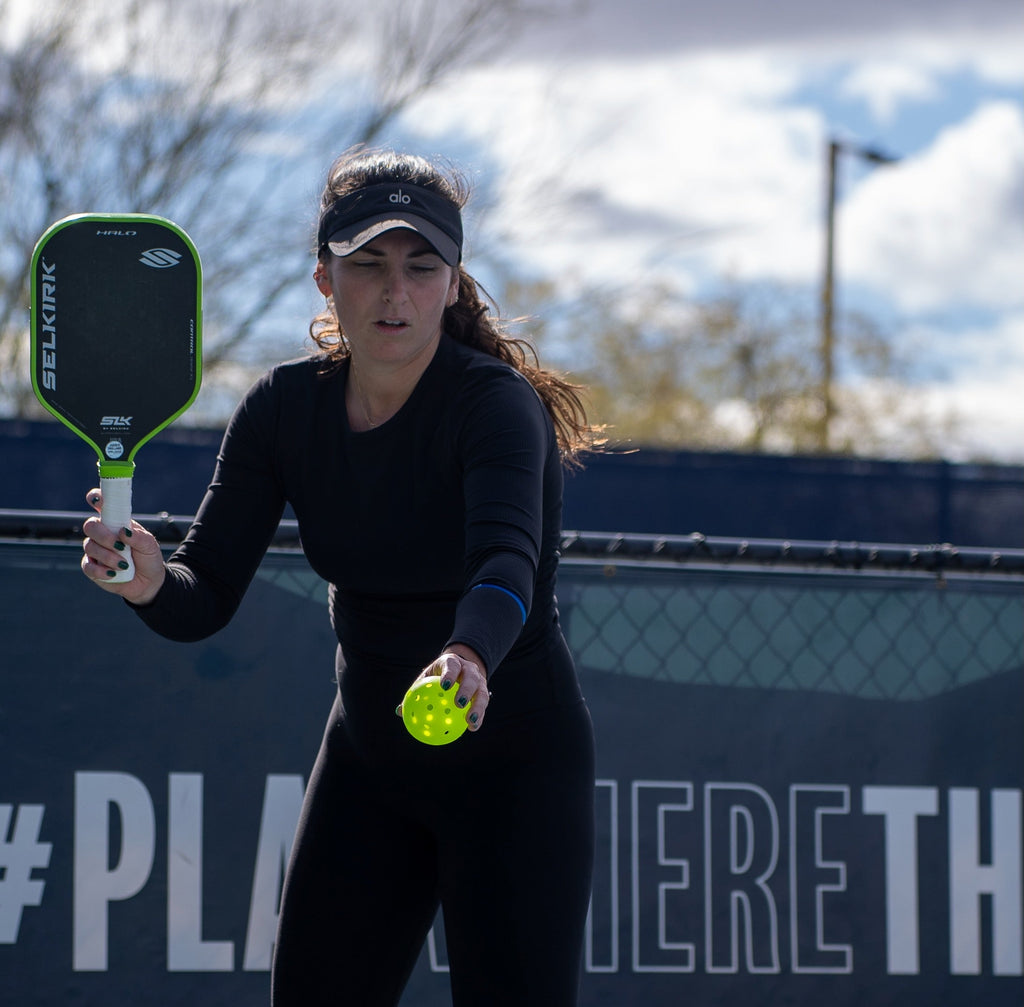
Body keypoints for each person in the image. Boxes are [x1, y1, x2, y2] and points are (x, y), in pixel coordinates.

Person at [80, 147, 602, 1006]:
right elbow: (201, 590)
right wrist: (145, 581)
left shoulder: (494, 407)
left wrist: (469, 653)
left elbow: (508, 563)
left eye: (421, 267)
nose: (395, 292)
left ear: (454, 281)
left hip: (516, 772)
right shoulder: (281, 409)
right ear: (326, 278)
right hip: (370, 765)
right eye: (367, 265)